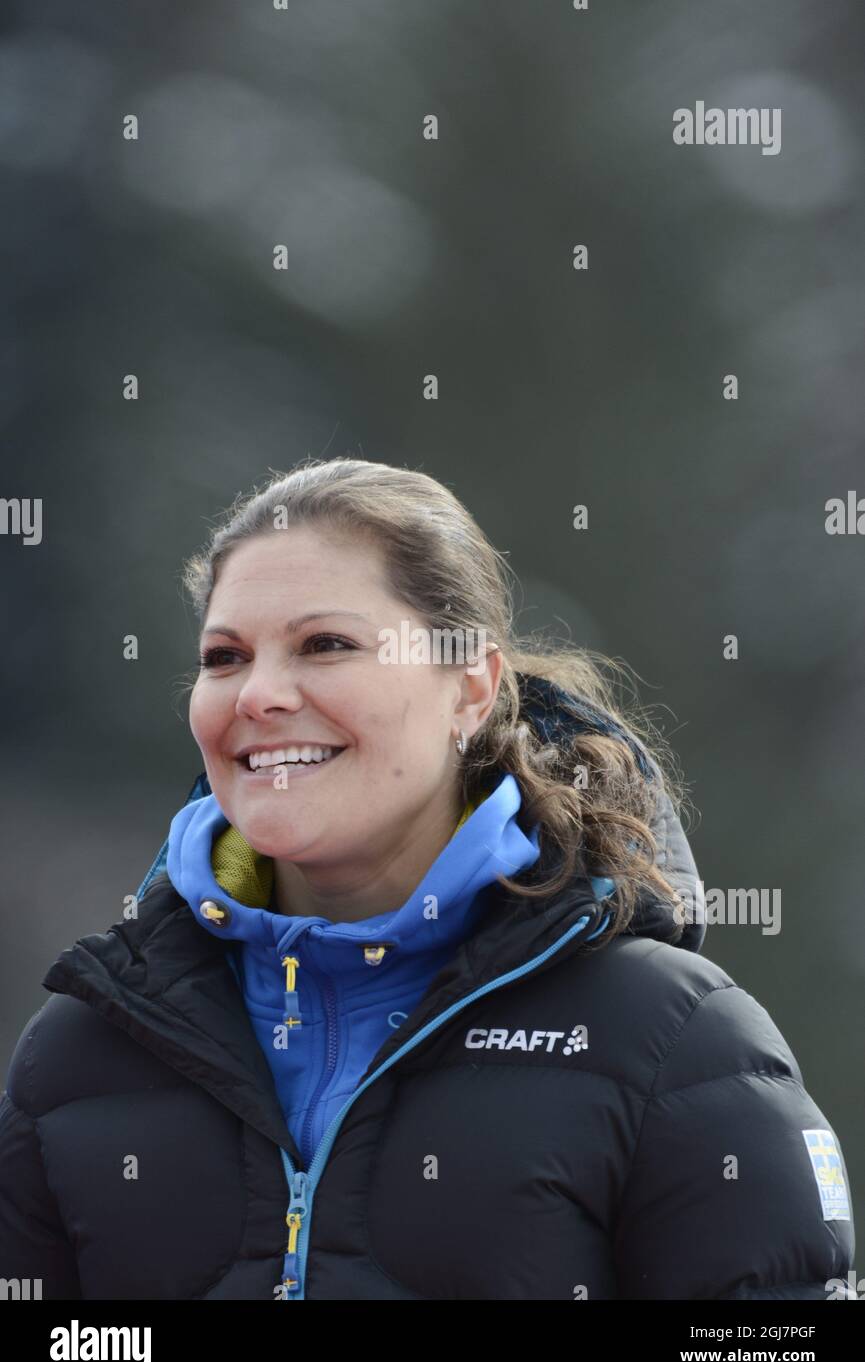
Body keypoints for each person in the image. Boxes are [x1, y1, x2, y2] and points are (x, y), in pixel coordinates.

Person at [0, 458, 854, 1300]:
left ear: (469, 689)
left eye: (325, 644)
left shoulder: (671, 1041)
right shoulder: (84, 1050)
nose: (257, 694)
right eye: (224, 657)